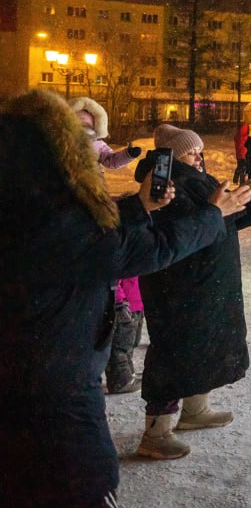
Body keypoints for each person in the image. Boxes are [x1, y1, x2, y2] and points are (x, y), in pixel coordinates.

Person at [0, 89, 249, 508]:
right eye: (77, 138)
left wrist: (137, 207)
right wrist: (212, 214)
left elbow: (98, 237)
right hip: (53, 385)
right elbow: (142, 249)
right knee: (85, 505)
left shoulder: (28, 203)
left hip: (41, 373)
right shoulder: (50, 214)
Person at [132, 124, 251, 460]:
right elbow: (184, 231)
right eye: (191, 152)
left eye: (199, 150)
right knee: (176, 351)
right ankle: (157, 432)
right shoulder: (166, 184)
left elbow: (217, 223)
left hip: (208, 280)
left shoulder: (196, 179)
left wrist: (248, 206)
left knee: (205, 344)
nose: (199, 157)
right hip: (181, 284)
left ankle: (195, 410)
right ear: (175, 156)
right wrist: (216, 209)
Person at [67, 96, 149, 393]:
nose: (84, 128)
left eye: (89, 124)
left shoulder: (96, 146)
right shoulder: (62, 149)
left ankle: (113, 360)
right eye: (80, 122)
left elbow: (111, 160)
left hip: (97, 201)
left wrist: (130, 153)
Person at [70, 96, 143, 170]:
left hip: (91, 179)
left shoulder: (97, 144)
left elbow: (112, 159)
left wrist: (127, 155)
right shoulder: (62, 142)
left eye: (86, 126)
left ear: (94, 126)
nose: (82, 130)